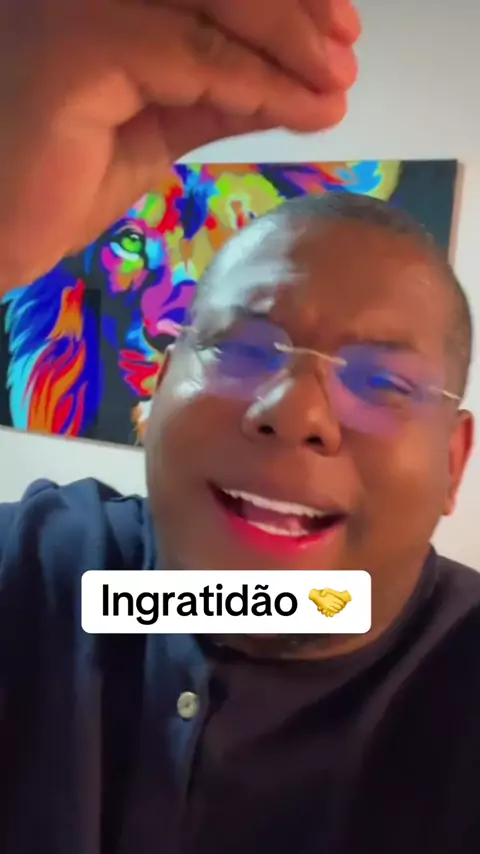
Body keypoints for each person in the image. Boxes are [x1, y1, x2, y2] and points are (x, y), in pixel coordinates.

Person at [1, 2, 480, 853]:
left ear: (454, 461)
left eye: (382, 381)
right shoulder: (44, 574)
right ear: (160, 384)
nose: (295, 412)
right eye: (241, 349)